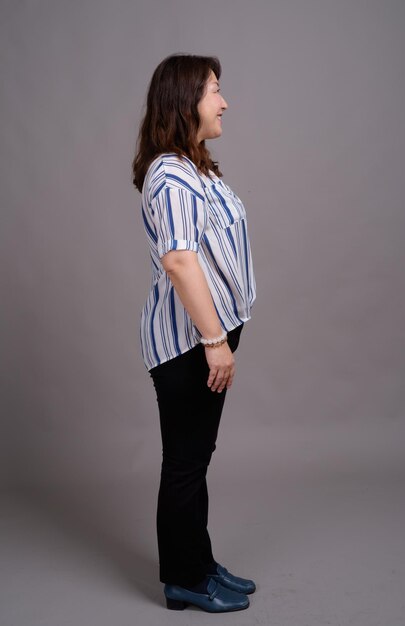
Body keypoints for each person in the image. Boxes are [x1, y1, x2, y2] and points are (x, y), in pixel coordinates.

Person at [131, 53, 256, 613]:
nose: (224, 101)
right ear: (185, 101)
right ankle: (183, 578)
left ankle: (199, 562)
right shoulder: (170, 174)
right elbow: (180, 262)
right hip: (189, 345)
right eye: (213, 91)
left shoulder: (196, 168)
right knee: (185, 462)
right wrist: (215, 343)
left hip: (205, 338)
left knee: (194, 458)